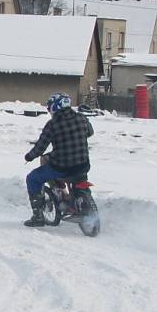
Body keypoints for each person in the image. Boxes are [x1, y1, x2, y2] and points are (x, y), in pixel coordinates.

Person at [23, 92, 94, 227]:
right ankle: (80, 200)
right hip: (83, 164)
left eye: (49, 107)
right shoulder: (82, 118)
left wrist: (29, 156)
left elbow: (40, 147)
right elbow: (90, 133)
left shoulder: (52, 124)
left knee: (33, 178)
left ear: (55, 107)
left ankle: (38, 216)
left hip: (62, 166)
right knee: (79, 175)